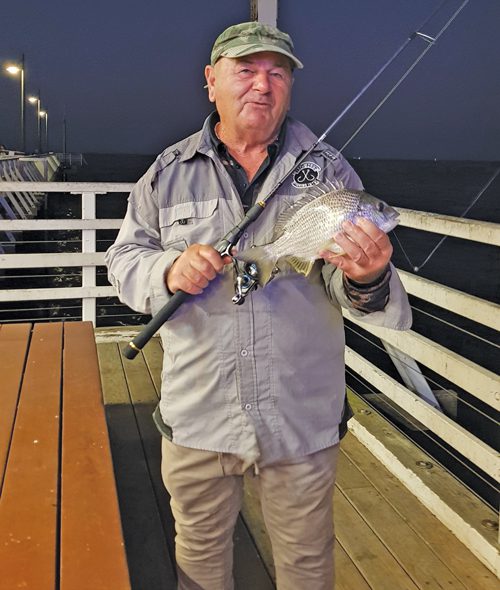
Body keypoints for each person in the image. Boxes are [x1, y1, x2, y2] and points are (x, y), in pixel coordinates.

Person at [106, 21, 412, 590]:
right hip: (200, 412)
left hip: (300, 415)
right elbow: (123, 260)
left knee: (306, 563)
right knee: (197, 558)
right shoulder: (165, 174)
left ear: (290, 86)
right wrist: (167, 270)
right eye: (245, 70)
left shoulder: (331, 173)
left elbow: (355, 296)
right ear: (211, 81)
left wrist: (369, 276)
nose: (262, 85)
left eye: (277, 73)